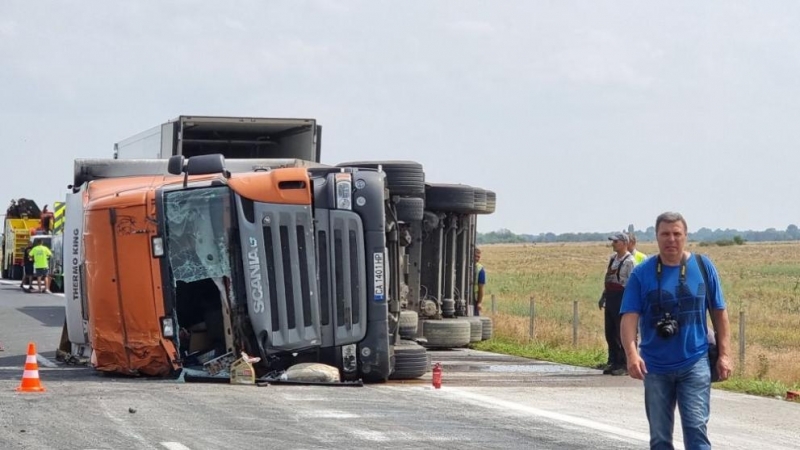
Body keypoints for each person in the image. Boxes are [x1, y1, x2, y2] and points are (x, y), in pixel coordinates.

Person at [620, 212, 732, 450]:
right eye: (665, 234)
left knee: (696, 432)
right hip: (655, 366)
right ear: (656, 237)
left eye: (676, 234)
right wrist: (631, 354)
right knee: (660, 439)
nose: (671, 239)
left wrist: (724, 354)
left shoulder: (703, 267)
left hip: (695, 362)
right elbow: (629, 318)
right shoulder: (642, 273)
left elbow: (720, 313)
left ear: (685, 236)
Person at [598, 232, 634, 375]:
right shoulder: (613, 259)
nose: (613, 244)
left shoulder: (629, 261)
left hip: (622, 297)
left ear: (624, 243)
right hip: (611, 297)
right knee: (610, 332)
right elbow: (610, 279)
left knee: (622, 332)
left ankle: (624, 365)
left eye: (616, 242)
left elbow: (632, 284)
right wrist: (604, 296)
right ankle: (613, 362)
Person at [473, 247, 487, 316]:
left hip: (474, 299)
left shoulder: (480, 269)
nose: (477, 259)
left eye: (478, 257)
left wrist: (479, 303)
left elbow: (481, 288)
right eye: (475, 256)